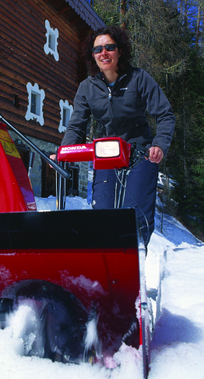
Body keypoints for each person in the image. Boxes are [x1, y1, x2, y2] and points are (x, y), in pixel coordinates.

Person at [56, 26, 175, 247]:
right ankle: (106, 269)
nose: (104, 53)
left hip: (141, 154)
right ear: (93, 55)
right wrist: (64, 152)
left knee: (135, 215)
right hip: (107, 154)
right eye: (98, 49)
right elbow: (76, 125)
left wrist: (159, 145)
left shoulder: (139, 79)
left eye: (109, 47)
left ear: (120, 51)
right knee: (103, 213)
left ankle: (135, 259)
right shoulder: (87, 88)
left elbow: (165, 114)